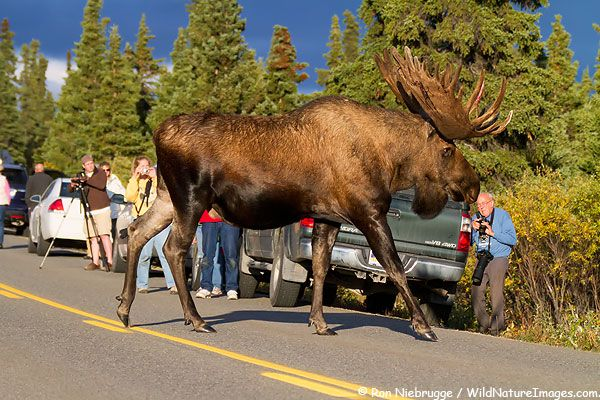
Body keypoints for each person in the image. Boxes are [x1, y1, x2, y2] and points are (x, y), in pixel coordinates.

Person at [125, 156, 177, 294]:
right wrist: (135, 178)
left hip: (159, 219)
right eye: (141, 166)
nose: (144, 169)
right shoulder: (135, 181)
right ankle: (142, 284)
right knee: (143, 254)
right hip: (142, 220)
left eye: (147, 166)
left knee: (165, 253)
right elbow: (130, 197)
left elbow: (164, 194)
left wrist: (155, 177)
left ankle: (173, 284)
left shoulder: (157, 180)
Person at [470, 192, 517, 336]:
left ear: (491, 203)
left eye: (483, 204)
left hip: (498, 258)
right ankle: (485, 323)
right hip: (482, 257)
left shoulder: (503, 216)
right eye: (478, 205)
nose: (481, 207)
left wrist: (493, 233)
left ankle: (496, 328)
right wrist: (472, 229)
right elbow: (471, 242)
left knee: (496, 294)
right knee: (476, 290)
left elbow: (512, 239)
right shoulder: (475, 217)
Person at [70, 154, 113, 271]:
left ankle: (109, 260)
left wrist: (86, 180)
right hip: (89, 210)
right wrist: (73, 184)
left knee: (104, 235)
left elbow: (100, 185)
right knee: (92, 237)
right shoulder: (82, 175)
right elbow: (71, 189)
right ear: (83, 166)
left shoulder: (100, 173)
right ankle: (95, 261)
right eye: (87, 164)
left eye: (91, 163)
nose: (90, 166)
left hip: (102, 208)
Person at [195, 208, 241, 300]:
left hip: (231, 218)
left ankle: (232, 288)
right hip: (209, 218)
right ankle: (206, 286)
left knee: (231, 255)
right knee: (207, 255)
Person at [99, 161, 125, 241]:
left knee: (115, 235)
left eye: (108, 170)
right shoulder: (98, 181)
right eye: (103, 170)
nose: (106, 172)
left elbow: (123, 193)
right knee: (103, 235)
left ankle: (114, 252)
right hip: (103, 212)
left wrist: (119, 198)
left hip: (116, 213)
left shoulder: (114, 179)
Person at [0, 159, 11, 249]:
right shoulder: (4, 179)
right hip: (2, 203)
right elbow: (8, 192)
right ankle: (0, 242)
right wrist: (8, 202)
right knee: (1, 223)